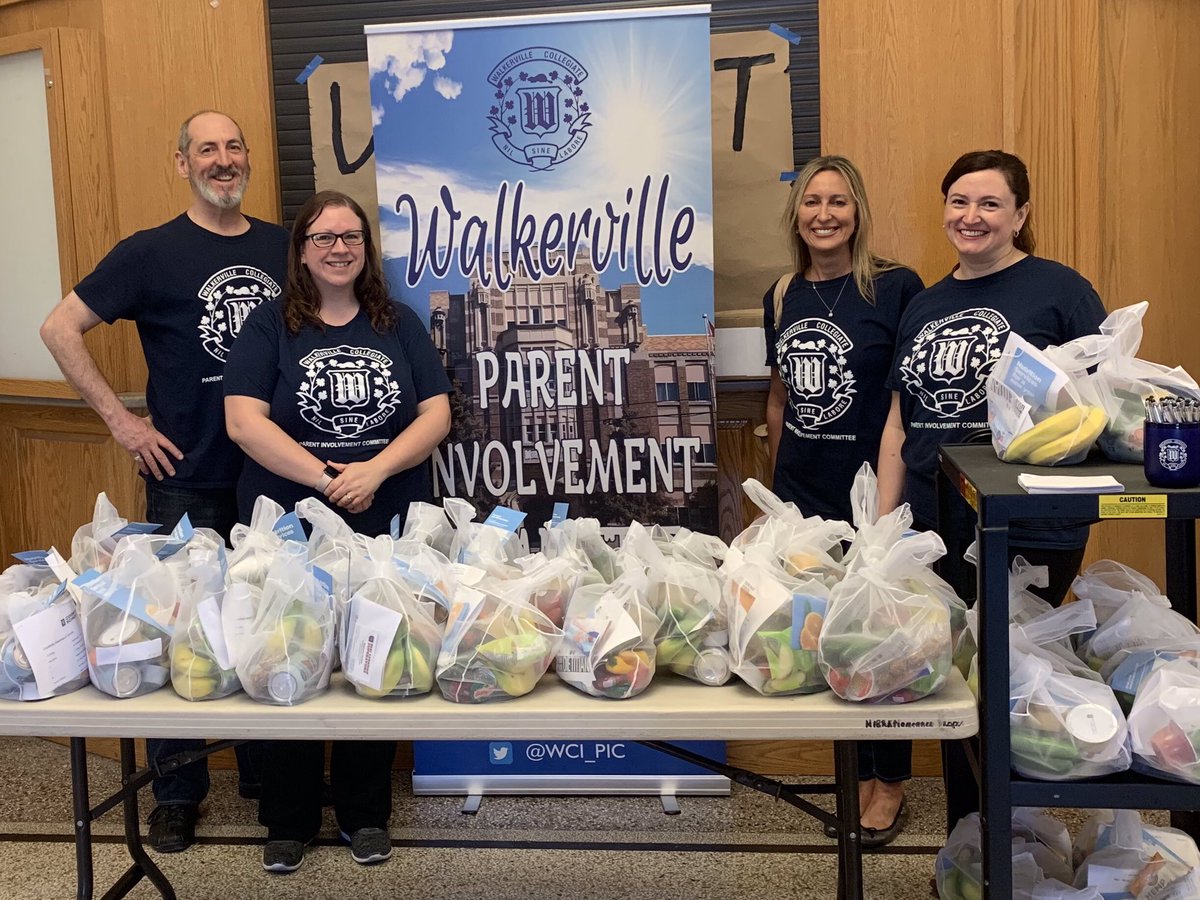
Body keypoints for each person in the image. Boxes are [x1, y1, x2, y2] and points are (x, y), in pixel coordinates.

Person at [40, 110, 287, 853]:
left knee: (268, 620)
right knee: (180, 632)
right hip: (185, 475)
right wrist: (123, 423)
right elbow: (58, 327)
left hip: (275, 475)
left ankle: (265, 773)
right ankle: (177, 792)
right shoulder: (148, 253)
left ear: (247, 160)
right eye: (205, 149)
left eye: (233, 146)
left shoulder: (283, 246)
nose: (222, 159)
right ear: (181, 163)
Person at [878, 149, 1107, 833]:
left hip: (1026, 527)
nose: (970, 217)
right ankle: (969, 845)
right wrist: (883, 530)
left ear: (1020, 215)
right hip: (930, 528)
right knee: (950, 685)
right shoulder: (925, 302)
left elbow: (1103, 407)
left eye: (989, 204)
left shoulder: (1060, 291)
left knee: (1015, 688)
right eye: (958, 202)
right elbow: (899, 423)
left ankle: (1025, 848)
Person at [224, 190, 452, 873]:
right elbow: (244, 421)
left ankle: (363, 814)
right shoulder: (270, 326)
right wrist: (328, 481)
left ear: (366, 248)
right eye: (323, 237)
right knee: (291, 661)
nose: (338, 248)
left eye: (350, 236)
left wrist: (373, 472)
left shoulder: (398, 323)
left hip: (384, 521)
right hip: (291, 529)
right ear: (301, 250)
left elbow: (436, 414)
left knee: (374, 664)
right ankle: (287, 820)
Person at [764, 155, 924, 848]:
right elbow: (779, 398)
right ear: (796, 213)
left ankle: (889, 784)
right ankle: (852, 774)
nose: (824, 214)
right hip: (803, 497)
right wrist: (774, 500)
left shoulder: (894, 288)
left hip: (873, 497)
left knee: (882, 642)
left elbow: (903, 404)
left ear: (857, 212)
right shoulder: (782, 292)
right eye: (811, 202)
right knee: (825, 641)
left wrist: (887, 517)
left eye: (838, 202)